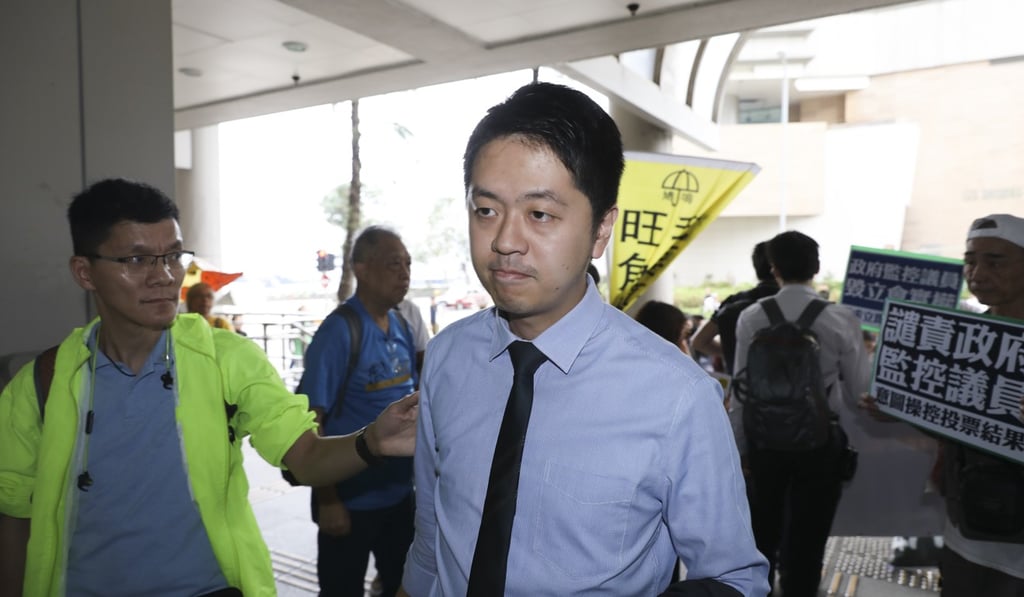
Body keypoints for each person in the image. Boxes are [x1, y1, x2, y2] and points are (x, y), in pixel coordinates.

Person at [400, 82, 768, 596]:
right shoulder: (446, 359)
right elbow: (431, 534)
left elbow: (735, 579)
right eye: (486, 210)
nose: (505, 240)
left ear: (601, 230)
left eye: (540, 214)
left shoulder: (676, 396)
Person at [0, 178, 419, 597]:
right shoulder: (41, 384)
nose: (164, 276)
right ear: (85, 272)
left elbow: (305, 456)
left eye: (173, 255)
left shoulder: (225, 359)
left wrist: (372, 441)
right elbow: (15, 512)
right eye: (137, 259)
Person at [862, 214, 1024, 595]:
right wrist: (903, 409)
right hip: (964, 532)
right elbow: (965, 421)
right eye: (970, 260)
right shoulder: (961, 339)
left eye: (996, 261)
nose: (978, 272)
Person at [731, 230, 870, 597]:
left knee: (762, 534)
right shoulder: (841, 318)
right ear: (817, 267)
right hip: (820, 443)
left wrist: (740, 447)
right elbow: (860, 392)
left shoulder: (752, 317)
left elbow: (742, 389)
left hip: (764, 442)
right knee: (808, 538)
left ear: (773, 268)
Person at [300, 226, 418, 597]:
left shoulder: (401, 324)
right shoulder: (340, 331)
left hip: (399, 497)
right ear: (362, 270)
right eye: (393, 264)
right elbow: (310, 421)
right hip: (350, 502)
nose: (405, 274)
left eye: (408, 264)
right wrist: (328, 499)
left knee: (402, 585)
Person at [691, 241, 779, 375]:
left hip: (741, 386)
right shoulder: (796, 302)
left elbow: (699, 341)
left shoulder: (734, 302)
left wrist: (733, 353)